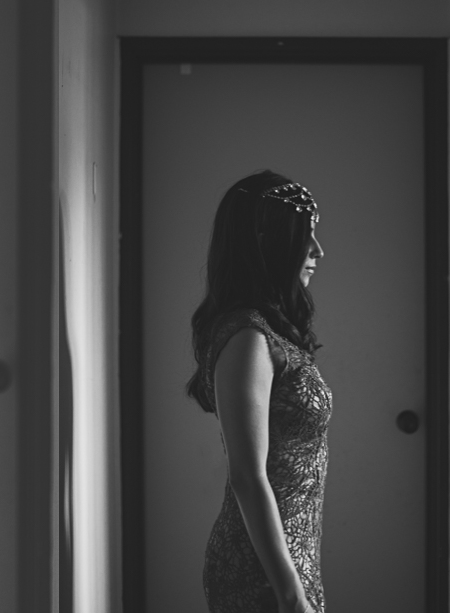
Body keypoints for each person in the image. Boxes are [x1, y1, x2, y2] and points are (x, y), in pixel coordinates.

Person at [186, 170, 330, 613]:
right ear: (268, 241)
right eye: (304, 237)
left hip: (290, 557)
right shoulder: (248, 337)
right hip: (262, 570)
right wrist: (288, 592)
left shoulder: (269, 331)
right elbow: (248, 476)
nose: (317, 251)